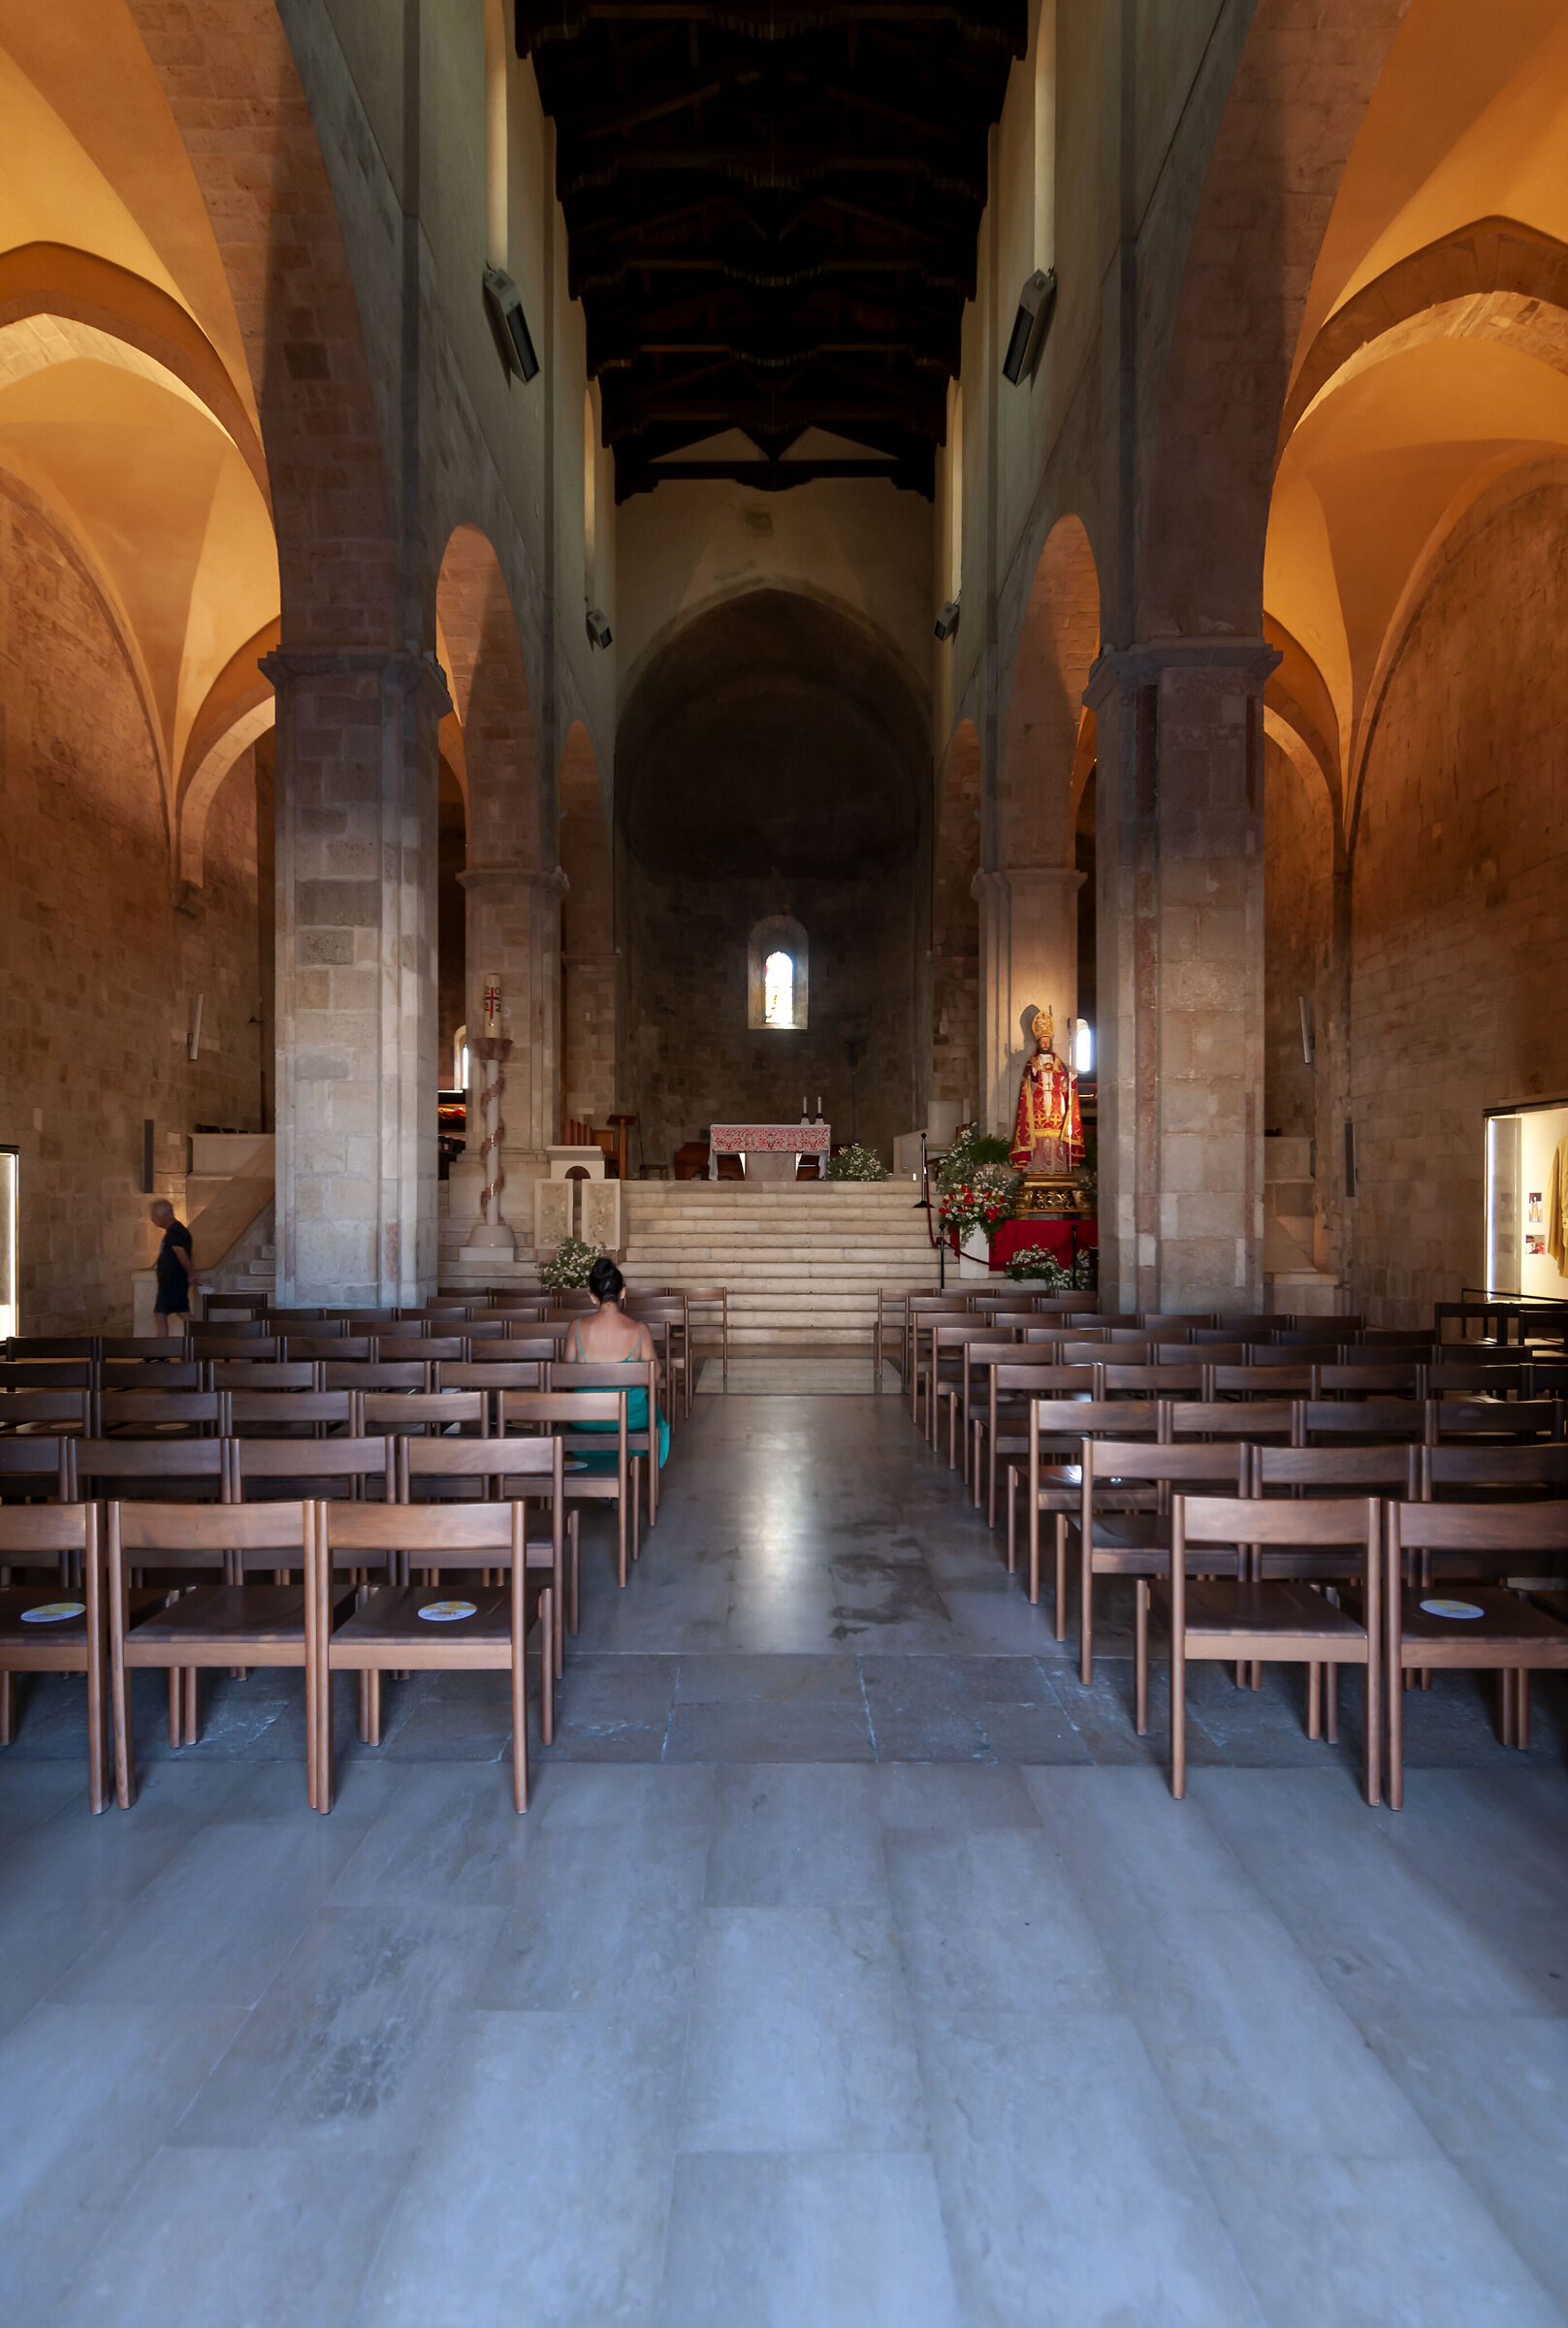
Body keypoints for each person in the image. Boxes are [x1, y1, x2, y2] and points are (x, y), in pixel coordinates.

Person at [563, 1256, 669, 1468]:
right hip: (630, 1418)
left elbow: (566, 1373)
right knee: (655, 1413)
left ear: (593, 1297)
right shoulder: (640, 1329)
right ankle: (632, 1465)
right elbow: (655, 1374)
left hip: (585, 1418)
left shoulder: (575, 1327)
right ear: (623, 1292)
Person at [149, 1199, 194, 1336]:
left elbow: (181, 1254)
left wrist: (192, 1273)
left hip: (172, 1282)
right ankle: (202, 1343)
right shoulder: (176, 1230)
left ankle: (162, 1352)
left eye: (154, 1215)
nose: (152, 1219)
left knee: (160, 1314)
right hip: (174, 1282)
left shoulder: (175, 1232)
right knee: (183, 1313)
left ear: (163, 1215)